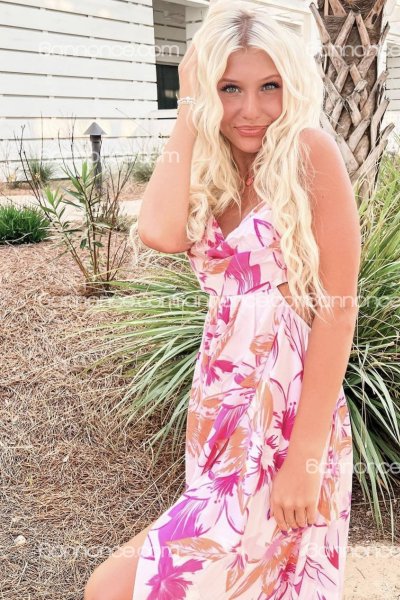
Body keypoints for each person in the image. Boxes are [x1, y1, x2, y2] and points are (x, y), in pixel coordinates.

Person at [84, 0, 361, 598]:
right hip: (218, 406)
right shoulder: (210, 167)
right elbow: (159, 231)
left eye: (269, 87)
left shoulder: (310, 153)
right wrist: (189, 109)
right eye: (230, 88)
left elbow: (338, 313)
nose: (250, 109)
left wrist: (306, 456)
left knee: (110, 587)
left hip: (286, 418)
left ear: (292, 87)